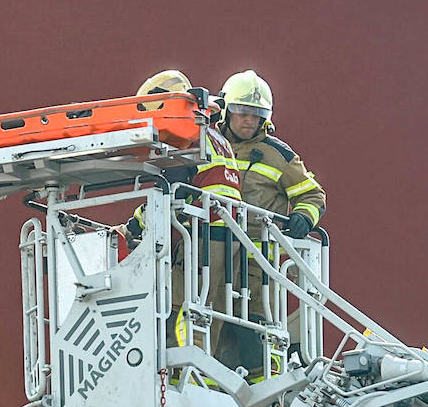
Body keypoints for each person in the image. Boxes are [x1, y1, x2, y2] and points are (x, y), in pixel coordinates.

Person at [214, 69, 326, 369]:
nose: (250, 120)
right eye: (242, 112)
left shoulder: (278, 155)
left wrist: (304, 217)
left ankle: (262, 399)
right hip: (212, 252)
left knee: (252, 331)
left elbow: (313, 196)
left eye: (257, 114)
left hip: (256, 261)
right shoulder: (208, 145)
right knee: (210, 325)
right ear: (225, 110)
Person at [128, 70, 242, 353]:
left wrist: (134, 225)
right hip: (227, 236)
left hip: (201, 238)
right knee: (208, 311)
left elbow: (170, 192)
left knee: (180, 308)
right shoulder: (215, 137)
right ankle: (204, 376)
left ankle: (181, 373)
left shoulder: (186, 136)